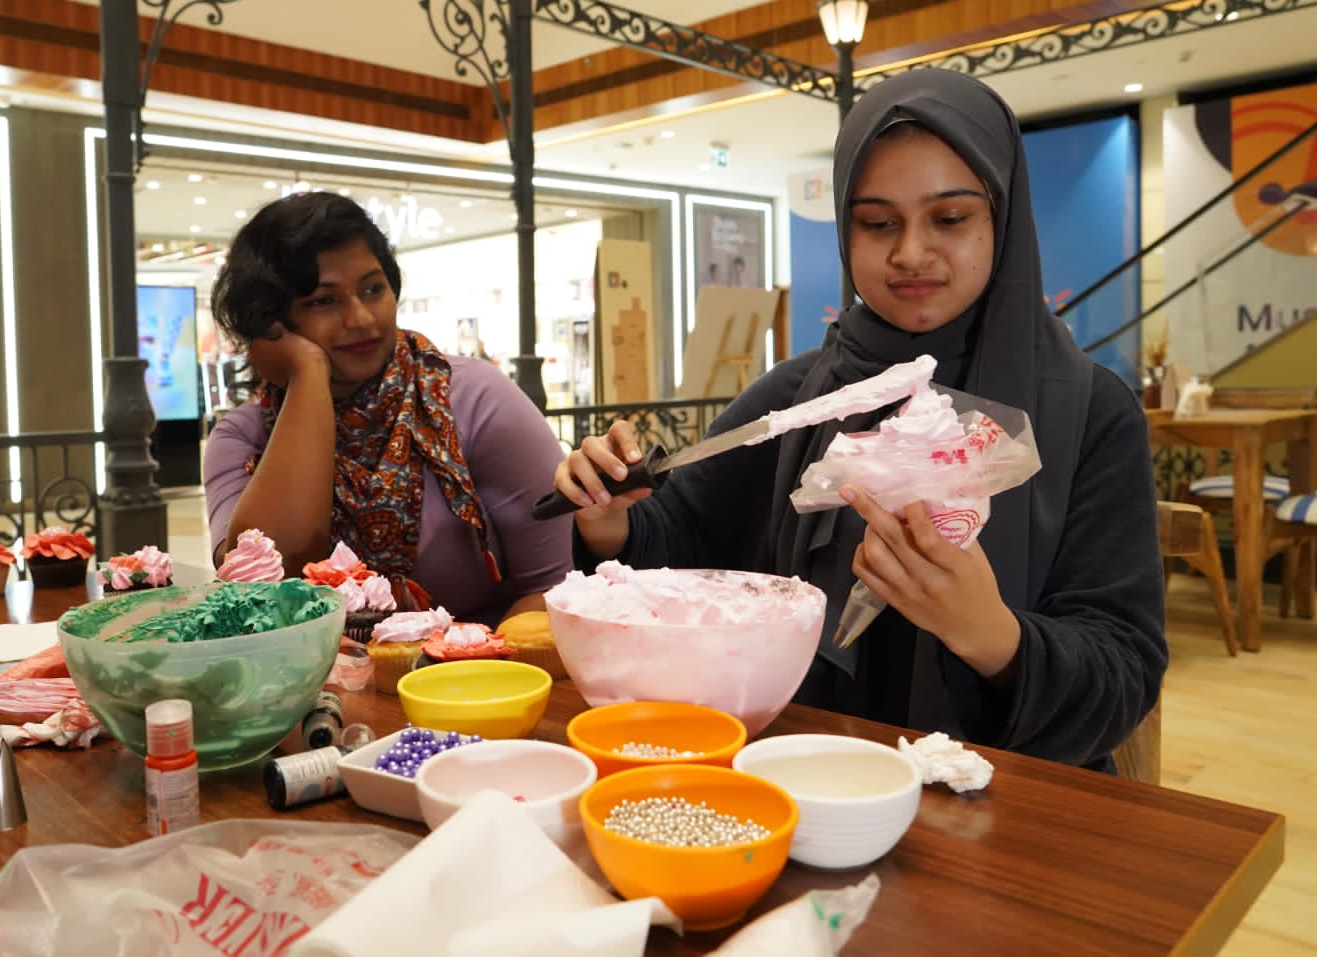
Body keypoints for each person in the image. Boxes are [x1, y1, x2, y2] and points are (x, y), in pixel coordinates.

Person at [551, 69, 1166, 772]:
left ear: (1002, 218)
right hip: (805, 776)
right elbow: (681, 542)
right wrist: (609, 521)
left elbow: (1124, 672)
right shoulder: (798, 399)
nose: (910, 252)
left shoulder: (1088, 413)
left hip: (1011, 802)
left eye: (950, 218)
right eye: (877, 223)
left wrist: (991, 634)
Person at [202, 192, 571, 627]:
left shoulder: (473, 399)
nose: (361, 318)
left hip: (486, 662)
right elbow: (263, 594)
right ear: (269, 322)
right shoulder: (242, 438)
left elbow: (555, 590)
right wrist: (308, 374)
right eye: (324, 301)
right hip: (313, 670)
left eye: (372, 289)